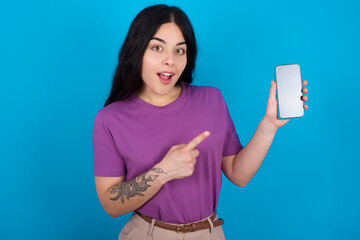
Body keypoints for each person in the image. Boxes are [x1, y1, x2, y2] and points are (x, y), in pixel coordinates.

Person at [92, 4, 309, 240]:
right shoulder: (110, 119)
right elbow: (111, 204)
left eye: (179, 50)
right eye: (157, 48)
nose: (169, 61)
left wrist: (267, 128)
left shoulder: (211, 99)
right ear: (137, 51)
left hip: (210, 232)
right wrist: (163, 171)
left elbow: (239, 174)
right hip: (148, 234)